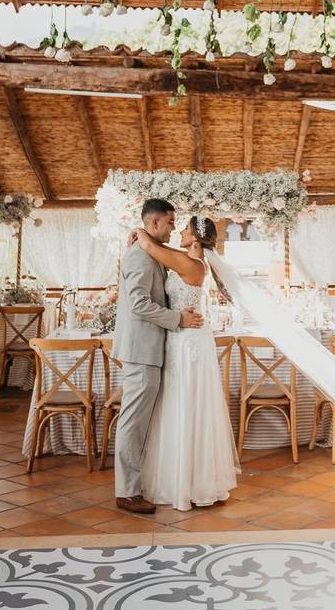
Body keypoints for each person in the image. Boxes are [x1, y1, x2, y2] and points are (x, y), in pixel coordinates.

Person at [128, 215, 240, 511]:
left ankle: (189, 483)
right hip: (181, 337)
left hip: (188, 341)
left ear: (195, 238)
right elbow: (158, 250)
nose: (179, 230)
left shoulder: (192, 265)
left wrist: (140, 230)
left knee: (187, 405)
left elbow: (151, 248)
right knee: (176, 404)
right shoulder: (187, 259)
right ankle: (178, 479)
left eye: (185, 229)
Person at [112, 199, 205, 514]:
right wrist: (177, 319)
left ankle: (136, 485)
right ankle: (127, 492)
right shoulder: (140, 256)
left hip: (150, 347)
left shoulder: (150, 250)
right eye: (169, 222)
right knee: (133, 422)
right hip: (141, 348)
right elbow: (138, 304)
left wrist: (141, 233)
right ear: (154, 223)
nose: (173, 228)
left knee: (139, 422)